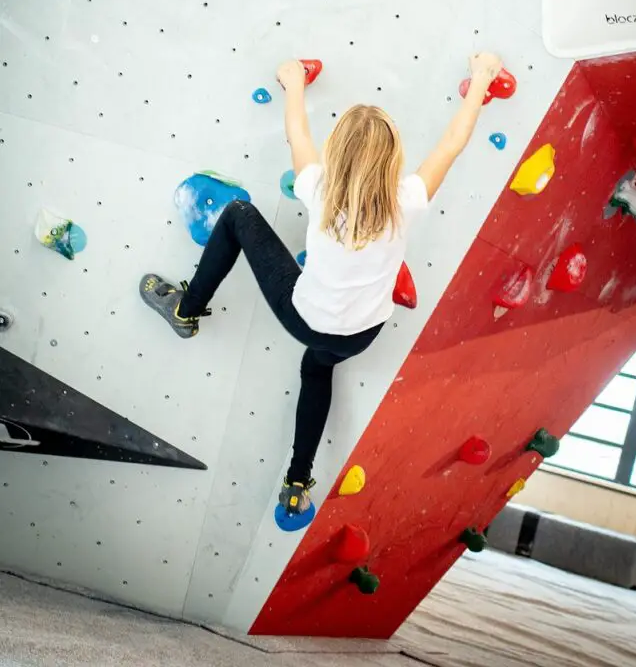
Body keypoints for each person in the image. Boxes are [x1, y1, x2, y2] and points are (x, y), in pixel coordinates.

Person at [140, 52, 502, 515]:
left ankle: (185, 310)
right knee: (318, 369)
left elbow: (298, 135)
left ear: (337, 151)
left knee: (238, 215)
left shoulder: (319, 188)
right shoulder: (406, 200)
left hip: (305, 317)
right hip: (360, 336)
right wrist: (481, 79)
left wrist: (294, 84)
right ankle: (296, 480)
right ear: (392, 159)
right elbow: (451, 144)